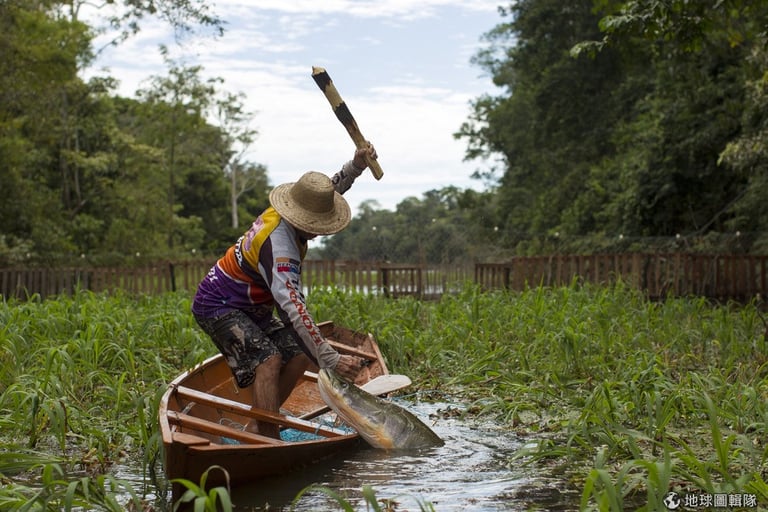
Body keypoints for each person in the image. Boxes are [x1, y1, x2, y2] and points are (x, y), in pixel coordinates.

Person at [191, 144, 378, 438]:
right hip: (219, 304)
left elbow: (326, 193)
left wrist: (355, 167)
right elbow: (293, 309)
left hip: (251, 306)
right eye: (316, 225)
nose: (318, 230)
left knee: (301, 353)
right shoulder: (281, 248)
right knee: (269, 360)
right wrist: (329, 357)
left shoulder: (295, 212)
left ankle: (260, 422)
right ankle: (266, 435)